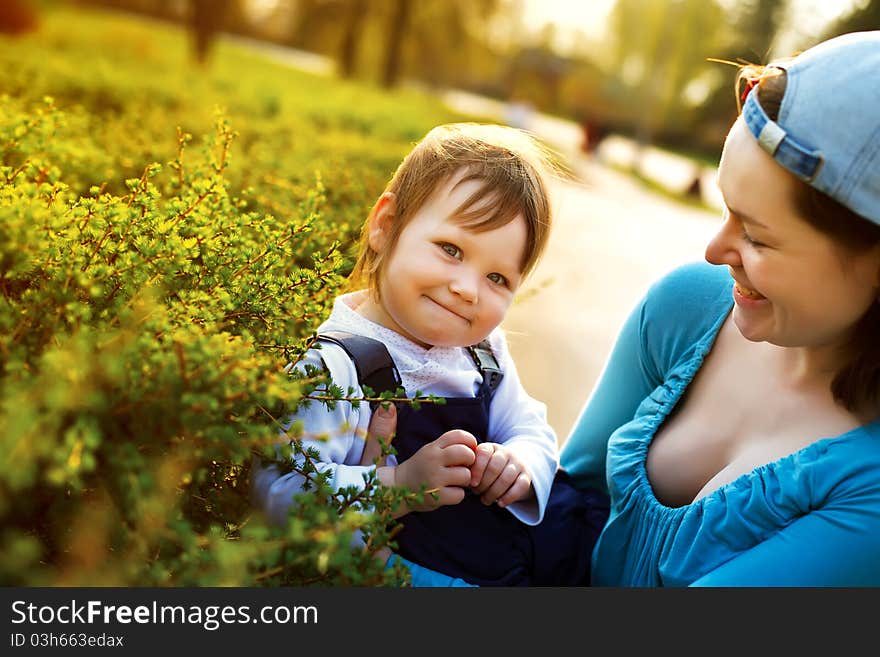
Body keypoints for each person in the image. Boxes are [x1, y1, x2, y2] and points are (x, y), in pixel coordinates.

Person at [374, 30, 880, 587]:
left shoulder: (867, 491)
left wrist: (376, 577)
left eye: (758, 237)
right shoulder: (690, 308)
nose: (714, 251)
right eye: (727, 209)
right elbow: (567, 505)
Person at [252, 122, 609, 586]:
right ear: (386, 226)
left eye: (497, 279)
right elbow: (280, 490)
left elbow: (528, 425)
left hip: (509, 555)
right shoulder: (337, 367)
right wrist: (399, 487)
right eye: (451, 249)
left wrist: (518, 464)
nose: (466, 290)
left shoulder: (482, 351)